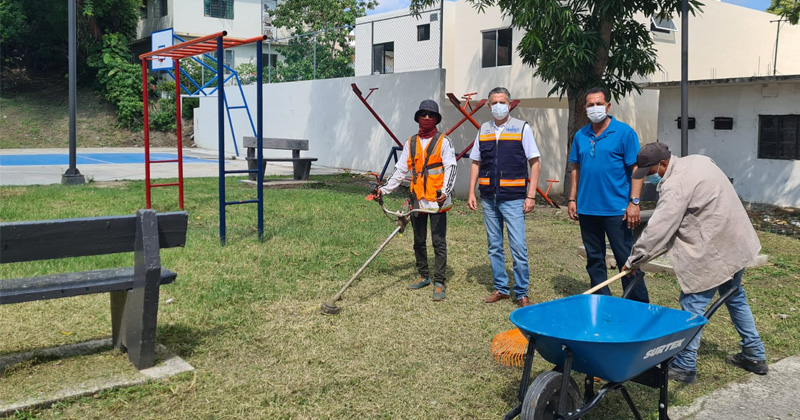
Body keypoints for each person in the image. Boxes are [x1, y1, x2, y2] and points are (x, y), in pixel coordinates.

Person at [623, 142, 768, 384]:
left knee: (693, 304)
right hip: (735, 240)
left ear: (664, 164)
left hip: (715, 248)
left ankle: (685, 365)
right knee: (734, 296)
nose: (649, 178)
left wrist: (634, 260)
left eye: (651, 172)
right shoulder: (699, 160)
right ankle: (754, 353)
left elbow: (659, 228)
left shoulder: (676, 185)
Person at [567, 87, 649, 303]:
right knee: (594, 258)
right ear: (585, 108)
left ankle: (637, 304)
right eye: (590, 105)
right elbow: (576, 167)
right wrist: (572, 199)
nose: (595, 108)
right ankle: (601, 301)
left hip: (616, 209)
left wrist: (634, 202)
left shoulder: (624, 133)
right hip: (587, 208)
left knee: (626, 259)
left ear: (608, 106)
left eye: (599, 104)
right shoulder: (581, 135)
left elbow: (636, 169)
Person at [467, 87, 541, 307]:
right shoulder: (484, 129)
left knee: (518, 246)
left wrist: (531, 196)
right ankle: (501, 288)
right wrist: (471, 192)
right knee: (494, 245)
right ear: (489, 105)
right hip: (489, 198)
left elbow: (535, 162)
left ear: (509, 104)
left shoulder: (522, 128)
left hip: (514, 198)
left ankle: (522, 292)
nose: (498, 106)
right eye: (494, 102)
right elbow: (476, 162)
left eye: (502, 102)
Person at [377, 99, 457, 301]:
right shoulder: (411, 142)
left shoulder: (444, 141)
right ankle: (424, 275)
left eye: (431, 115)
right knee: (418, 241)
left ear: (436, 118)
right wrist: (383, 190)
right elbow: (400, 170)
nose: (427, 118)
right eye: (423, 114)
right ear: (418, 117)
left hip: (437, 201)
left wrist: (445, 191)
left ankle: (439, 282)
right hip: (417, 200)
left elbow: (451, 168)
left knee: (438, 242)